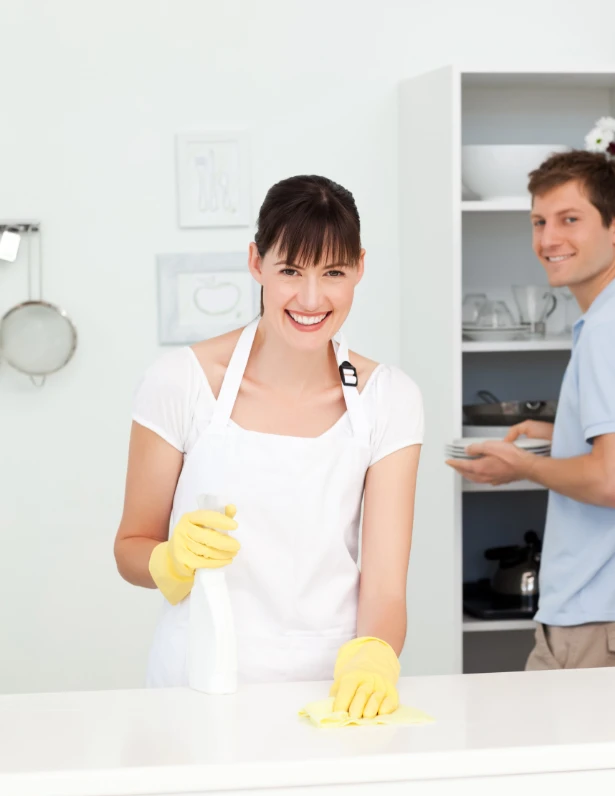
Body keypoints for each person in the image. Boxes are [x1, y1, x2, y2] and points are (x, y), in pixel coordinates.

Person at [115, 175, 423, 716]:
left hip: (332, 691)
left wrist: (373, 656)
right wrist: (169, 559)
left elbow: (385, 587)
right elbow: (131, 546)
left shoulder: (389, 399)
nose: (310, 298)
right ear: (257, 263)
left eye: (333, 273)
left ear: (360, 268)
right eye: (290, 271)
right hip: (196, 684)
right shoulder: (181, 382)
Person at [448, 150, 615, 669]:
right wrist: (563, 430)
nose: (547, 240)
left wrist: (521, 465)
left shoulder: (612, 329)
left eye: (570, 220)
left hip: (606, 624)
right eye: (539, 222)